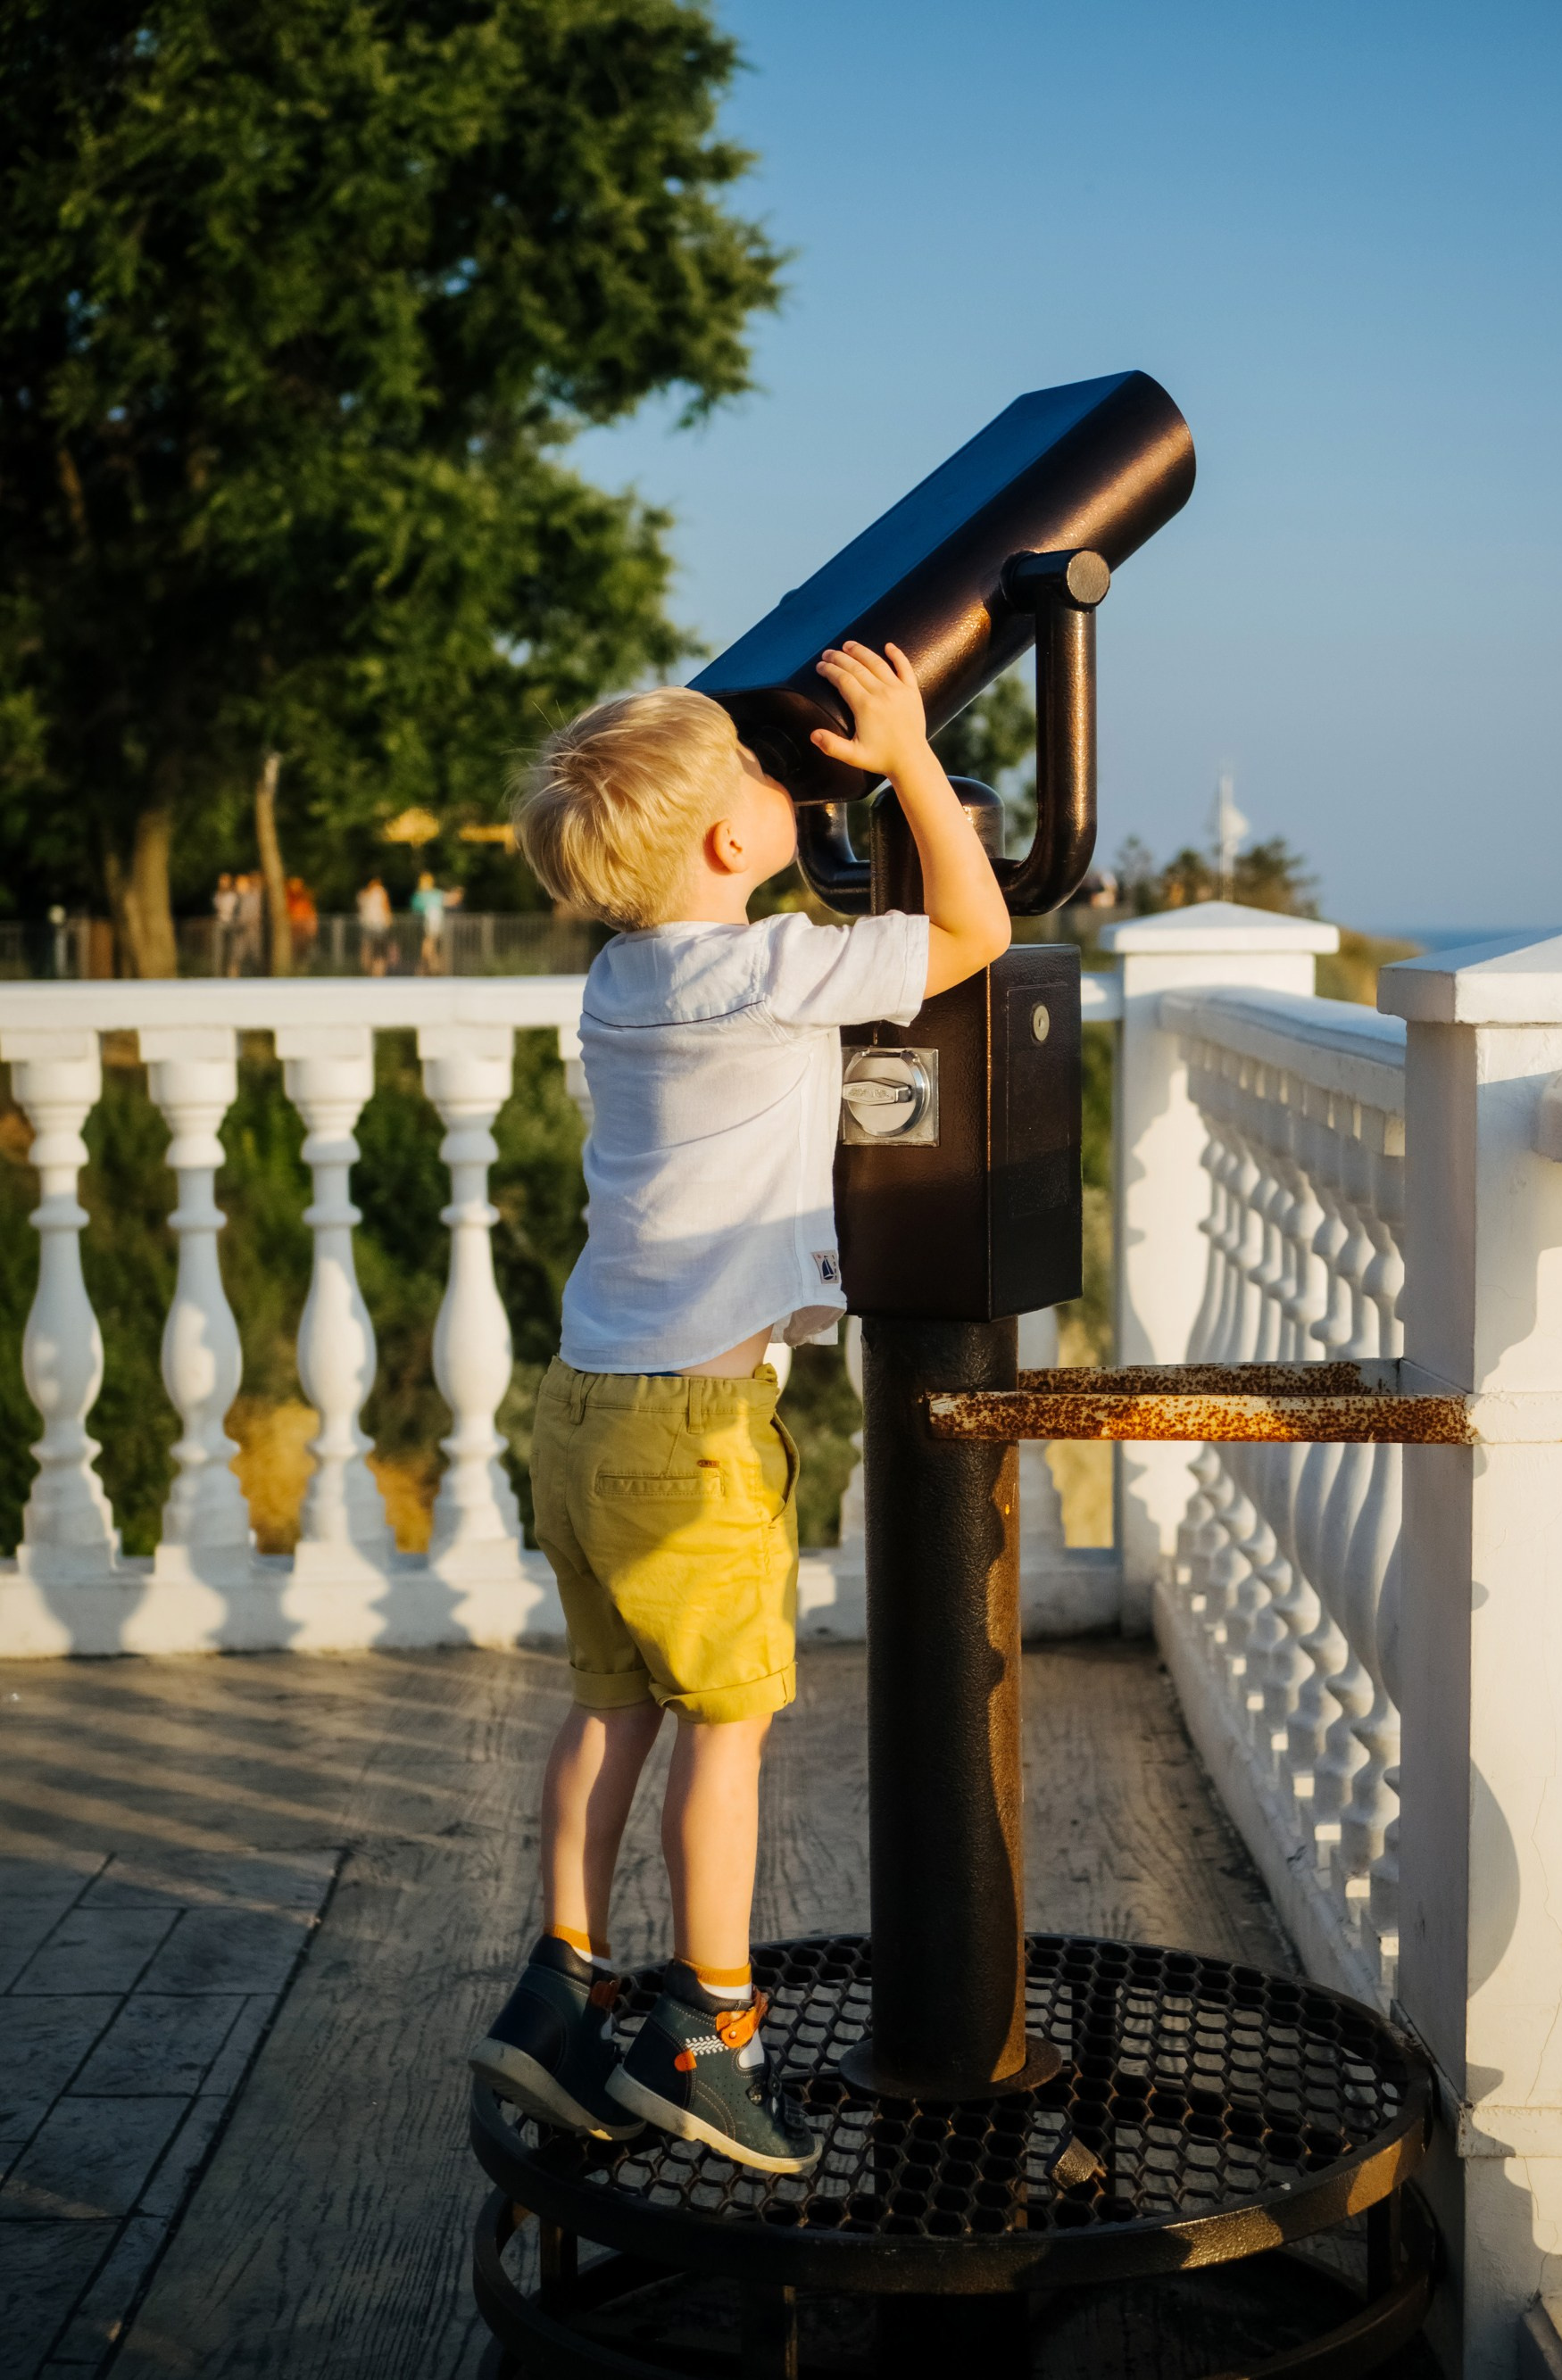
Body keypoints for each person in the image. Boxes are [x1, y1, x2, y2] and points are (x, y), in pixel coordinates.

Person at [468, 644, 1009, 2174]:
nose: (791, 785)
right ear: (727, 841)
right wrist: (904, 754)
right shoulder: (770, 972)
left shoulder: (627, 976)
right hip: (691, 1442)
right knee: (730, 1731)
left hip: (579, 1412)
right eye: (767, 781)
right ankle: (712, 2032)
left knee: (608, 1707)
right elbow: (976, 927)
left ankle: (562, 1986)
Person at [411, 870, 448, 973]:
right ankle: (431, 965)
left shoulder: (421, 894)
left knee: (430, 943)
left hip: (428, 921)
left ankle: (431, 965)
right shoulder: (430, 894)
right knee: (429, 943)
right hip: (431, 920)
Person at [356, 874, 392, 974]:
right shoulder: (380, 892)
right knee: (379, 950)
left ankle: (369, 970)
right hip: (379, 924)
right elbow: (386, 907)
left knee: (368, 948)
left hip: (367, 924)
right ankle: (378, 971)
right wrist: (388, 920)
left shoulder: (362, 894)